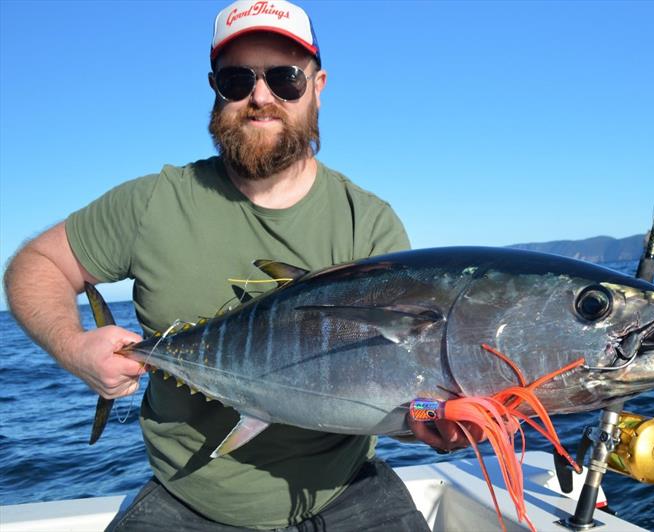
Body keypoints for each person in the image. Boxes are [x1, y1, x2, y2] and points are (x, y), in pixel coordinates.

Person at [4, 1, 479, 530]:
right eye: (237, 79)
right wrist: (73, 348)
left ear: (318, 85)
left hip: (343, 492)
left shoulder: (366, 222)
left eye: (285, 78)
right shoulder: (151, 203)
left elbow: (410, 398)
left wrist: (438, 420)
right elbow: (38, 263)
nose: (260, 97)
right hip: (189, 496)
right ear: (214, 88)